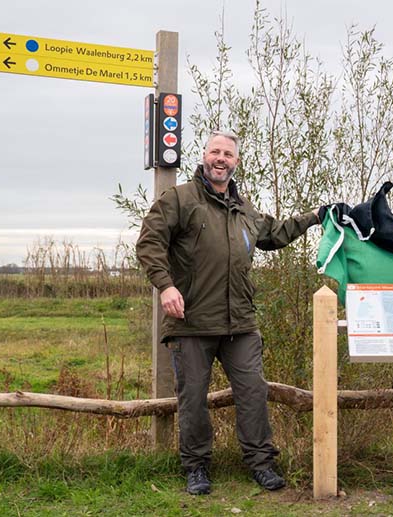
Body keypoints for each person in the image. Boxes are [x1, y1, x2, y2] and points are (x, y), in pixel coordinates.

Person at [136, 130, 325, 495]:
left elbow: (276, 233)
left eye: (228, 154)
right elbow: (149, 242)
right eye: (215, 152)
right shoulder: (180, 199)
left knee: (253, 392)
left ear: (236, 162)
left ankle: (261, 463)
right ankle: (196, 467)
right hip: (191, 322)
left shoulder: (244, 209)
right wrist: (166, 285)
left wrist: (315, 216)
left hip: (240, 321)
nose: (220, 158)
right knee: (192, 399)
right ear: (204, 156)